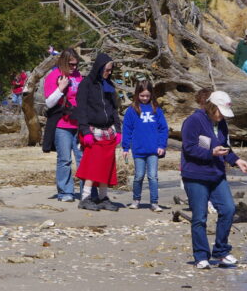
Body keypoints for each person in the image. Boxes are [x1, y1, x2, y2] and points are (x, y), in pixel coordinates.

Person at [181, 90, 247, 269]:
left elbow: (225, 148)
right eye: (220, 112)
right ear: (212, 107)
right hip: (195, 175)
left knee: (228, 209)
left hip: (216, 175)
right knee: (200, 217)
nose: (221, 116)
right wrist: (211, 153)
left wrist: (237, 160)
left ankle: (221, 252)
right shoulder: (193, 121)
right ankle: (201, 256)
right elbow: (189, 149)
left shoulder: (222, 124)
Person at [74, 52, 120, 211]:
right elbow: (81, 109)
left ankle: (103, 197)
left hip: (108, 132)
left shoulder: (109, 84)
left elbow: (114, 109)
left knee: (106, 167)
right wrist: (85, 131)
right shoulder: (86, 84)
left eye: (110, 70)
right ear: (99, 67)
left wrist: (118, 129)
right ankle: (85, 197)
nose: (109, 73)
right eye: (107, 70)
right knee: (93, 166)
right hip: (92, 131)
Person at [41, 49, 83, 202]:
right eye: (71, 64)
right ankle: (65, 192)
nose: (74, 67)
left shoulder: (79, 76)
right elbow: (49, 102)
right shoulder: (54, 76)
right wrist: (60, 88)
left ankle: (86, 191)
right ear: (64, 62)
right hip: (62, 124)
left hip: (79, 123)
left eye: (76, 64)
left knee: (82, 158)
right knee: (64, 159)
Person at [121, 80, 168, 212]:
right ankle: (136, 200)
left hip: (153, 149)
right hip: (138, 150)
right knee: (139, 176)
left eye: (147, 96)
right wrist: (125, 147)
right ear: (137, 94)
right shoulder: (131, 110)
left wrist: (161, 145)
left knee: (153, 176)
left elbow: (163, 129)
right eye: (142, 96)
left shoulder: (156, 109)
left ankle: (154, 202)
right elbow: (127, 129)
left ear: (151, 95)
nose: (145, 98)